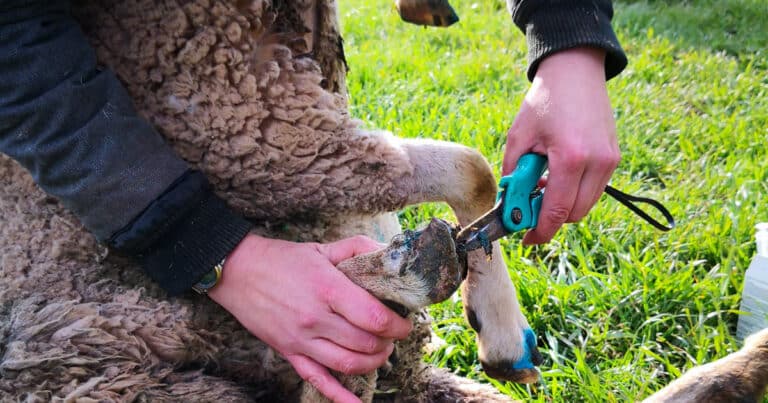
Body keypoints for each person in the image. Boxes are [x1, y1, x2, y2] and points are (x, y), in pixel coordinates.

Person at [0, 1, 625, 402]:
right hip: (92, 223)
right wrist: (212, 252)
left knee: (400, 376)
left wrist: (570, 44)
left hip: (300, 199)